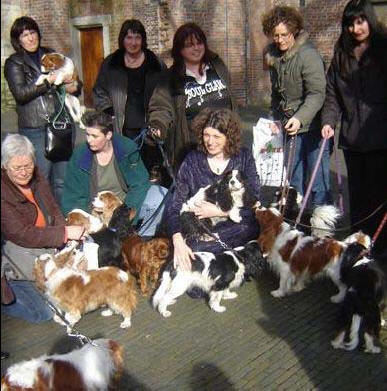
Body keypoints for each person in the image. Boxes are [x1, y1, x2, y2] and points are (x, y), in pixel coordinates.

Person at [321, 0, 387, 255]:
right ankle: (359, 247)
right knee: (357, 198)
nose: (356, 28)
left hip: (381, 140)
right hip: (352, 140)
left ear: (369, 20)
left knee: (379, 197)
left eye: (360, 21)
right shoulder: (341, 55)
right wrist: (328, 121)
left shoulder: (383, 51)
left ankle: (380, 249)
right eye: (350, 23)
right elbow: (332, 94)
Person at [1, 134, 86, 323]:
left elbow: (54, 209)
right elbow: (21, 234)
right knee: (44, 314)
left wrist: (67, 232)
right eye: (18, 168)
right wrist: (63, 233)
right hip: (19, 249)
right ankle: (8, 294)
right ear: (5, 166)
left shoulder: (37, 177)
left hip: (47, 243)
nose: (24, 172)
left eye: (28, 165)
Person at [165, 108, 260, 273]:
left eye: (217, 136)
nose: (210, 141)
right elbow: (175, 205)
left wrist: (219, 211)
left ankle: (223, 261)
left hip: (236, 225)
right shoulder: (193, 161)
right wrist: (177, 239)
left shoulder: (243, 157)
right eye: (206, 135)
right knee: (193, 254)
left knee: (249, 227)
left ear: (229, 137)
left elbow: (254, 199)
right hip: (203, 229)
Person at [4, 16, 81, 202]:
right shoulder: (14, 62)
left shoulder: (50, 54)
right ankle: (45, 221)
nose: (30, 38)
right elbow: (21, 94)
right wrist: (49, 81)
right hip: (35, 128)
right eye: (25, 35)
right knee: (41, 179)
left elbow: (73, 84)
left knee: (63, 179)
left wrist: (74, 85)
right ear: (18, 40)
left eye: (33, 33)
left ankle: (63, 219)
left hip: (60, 124)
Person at [261, 6, 330, 207]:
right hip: (289, 128)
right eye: (276, 35)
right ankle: (296, 228)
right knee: (293, 183)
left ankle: (322, 230)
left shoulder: (308, 55)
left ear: (295, 31)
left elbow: (317, 93)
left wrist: (300, 117)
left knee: (317, 183)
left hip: (313, 127)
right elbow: (276, 94)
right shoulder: (274, 56)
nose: (280, 40)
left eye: (285, 35)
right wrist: (273, 118)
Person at [61, 110, 167, 237]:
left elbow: (140, 184)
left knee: (160, 196)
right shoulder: (80, 155)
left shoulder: (127, 148)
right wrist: (91, 217)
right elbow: (72, 197)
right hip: (95, 210)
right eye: (87, 135)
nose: (89, 140)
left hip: (124, 206)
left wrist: (124, 215)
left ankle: (140, 239)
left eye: (95, 136)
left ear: (108, 135)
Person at [148, 22, 236, 173]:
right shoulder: (170, 79)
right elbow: (161, 107)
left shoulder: (217, 67)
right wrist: (158, 125)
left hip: (225, 144)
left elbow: (231, 100)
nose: (196, 48)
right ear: (180, 50)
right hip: (194, 150)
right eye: (189, 45)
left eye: (199, 43)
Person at [93, 19, 166, 178]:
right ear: (122, 39)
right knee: (128, 172)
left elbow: (166, 93)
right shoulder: (111, 63)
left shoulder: (155, 63)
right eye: (129, 37)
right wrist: (108, 111)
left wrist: (159, 121)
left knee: (152, 174)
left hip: (150, 128)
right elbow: (99, 91)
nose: (133, 42)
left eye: (137, 38)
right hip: (122, 127)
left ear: (143, 40)